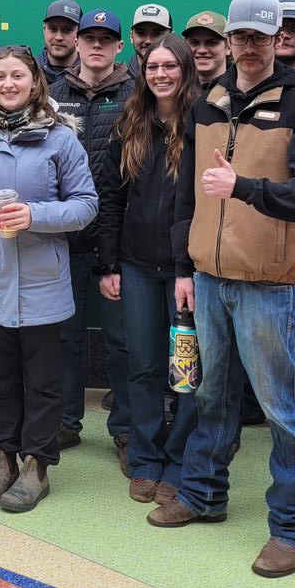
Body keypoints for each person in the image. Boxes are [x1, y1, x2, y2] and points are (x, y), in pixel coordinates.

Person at [149, 0, 295, 580]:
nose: (249, 47)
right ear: (228, 41)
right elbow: (187, 193)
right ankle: (203, 493)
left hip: (267, 283)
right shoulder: (208, 103)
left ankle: (294, 529)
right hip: (207, 276)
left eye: (261, 37)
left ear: (278, 40)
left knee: (281, 408)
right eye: (241, 36)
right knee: (211, 394)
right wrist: (184, 265)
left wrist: (245, 188)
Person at [0, 45, 97, 512]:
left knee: (44, 380)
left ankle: (37, 466)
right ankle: (3, 457)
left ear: (35, 82)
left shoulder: (60, 138)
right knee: (1, 379)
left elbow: (86, 204)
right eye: (0, 76)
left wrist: (34, 215)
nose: (9, 84)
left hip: (43, 279)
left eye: (18, 76)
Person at [96, 34, 200, 505]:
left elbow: (199, 205)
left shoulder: (205, 121)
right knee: (143, 368)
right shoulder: (130, 123)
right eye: (153, 66)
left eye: (169, 66)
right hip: (135, 267)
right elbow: (112, 198)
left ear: (185, 70)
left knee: (186, 373)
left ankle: (179, 462)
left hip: (189, 273)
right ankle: (145, 458)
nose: (160, 74)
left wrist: (187, 268)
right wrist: (109, 264)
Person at [49, 9, 133, 467]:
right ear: (77, 43)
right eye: (90, 38)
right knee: (65, 336)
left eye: (107, 39)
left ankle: (123, 429)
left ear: (120, 46)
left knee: (120, 340)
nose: (97, 46)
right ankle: (64, 421)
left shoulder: (134, 94)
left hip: (117, 241)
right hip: (63, 239)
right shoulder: (52, 95)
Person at [37, 0, 82, 85]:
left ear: (80, 33)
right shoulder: (29, 72)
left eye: (67, 30)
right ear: (44, 30)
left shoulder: (91, 76)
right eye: (53, 29)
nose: (58, 37)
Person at [182, 11, 229, 90]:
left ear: (229, 47)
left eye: (211, 43)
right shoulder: (175, 91)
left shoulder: (240, 90)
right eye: (194, 43)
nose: (202, 50)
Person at [127, 4, 173, 79]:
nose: (148, 41)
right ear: (131, 36)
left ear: (171, 37)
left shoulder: (185, 80)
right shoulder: (119, 83)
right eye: (141, 33)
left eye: (157, 34)